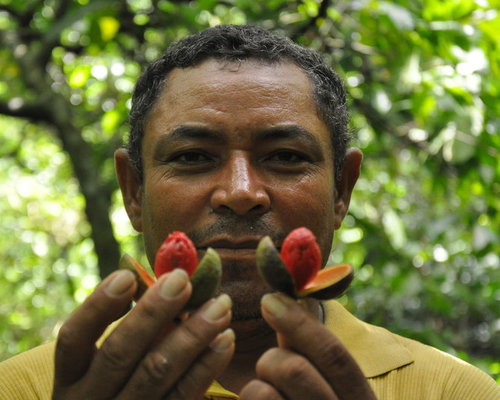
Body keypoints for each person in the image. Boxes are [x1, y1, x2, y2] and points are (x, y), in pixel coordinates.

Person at [0, 24, 498, 400]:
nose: (240, 193)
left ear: (342, 190)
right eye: (193, 157)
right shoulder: (21, 388)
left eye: (285, 157)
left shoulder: (456, 392)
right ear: (134, 191)